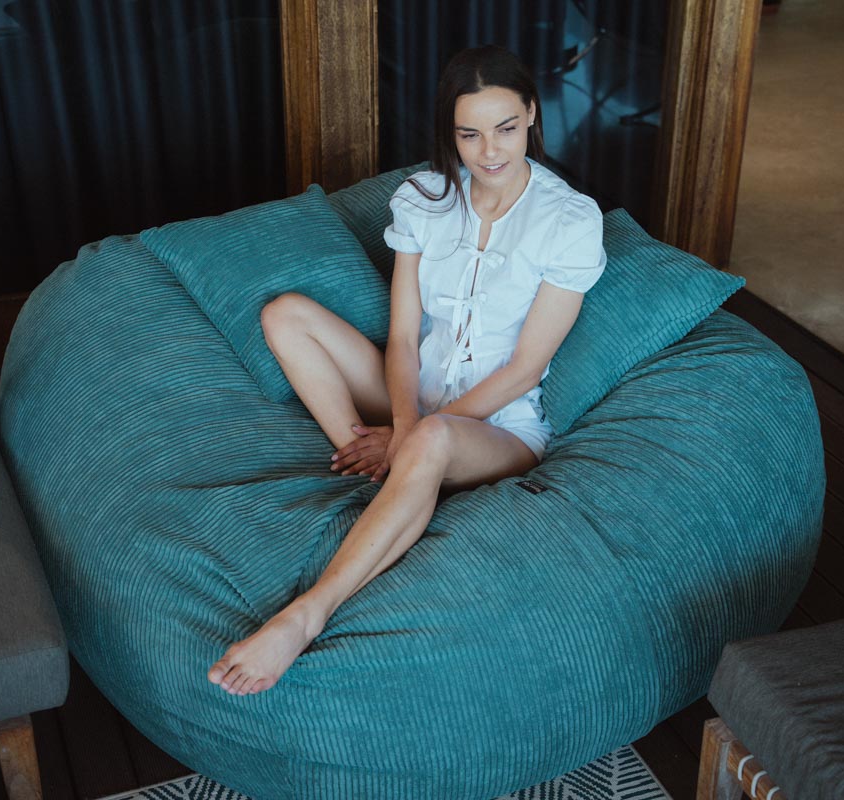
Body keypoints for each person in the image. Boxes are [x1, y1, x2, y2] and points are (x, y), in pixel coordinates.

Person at [207, 44, 606, 696]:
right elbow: (401, 338)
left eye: (506, 127)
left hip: (496, 426)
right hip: (409, 397)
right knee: (285, 315)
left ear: (532, 115)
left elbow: (524, 369)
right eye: (469, 134)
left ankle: (307, 614)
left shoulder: (568, 221)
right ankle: (370, 461)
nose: (491, 151)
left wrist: (415, 431)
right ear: (450, 133)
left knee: (434, 438)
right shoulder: (422, 197)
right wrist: (401, 422)